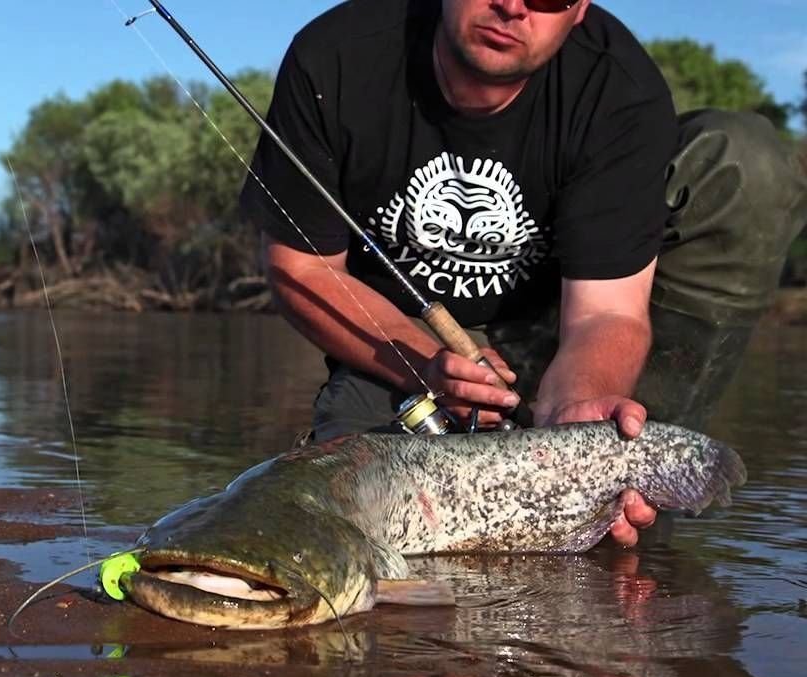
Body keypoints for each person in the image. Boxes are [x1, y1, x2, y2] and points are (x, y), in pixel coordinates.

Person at [239, 0, 807, 546]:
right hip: (397, 342)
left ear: (579, 8)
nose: (514, 6)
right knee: (328, 523)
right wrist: (426, 365)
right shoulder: (337, 54)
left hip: (558, 330)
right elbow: (302, 268)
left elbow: (607, 312)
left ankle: (634, 479)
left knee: (744, 156)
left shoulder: (617, 90)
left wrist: (577, 416)